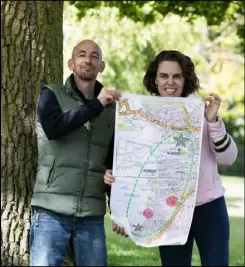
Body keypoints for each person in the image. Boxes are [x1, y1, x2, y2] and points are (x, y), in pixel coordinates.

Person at [104, 50, 238, 266]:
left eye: (177, 76)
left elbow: (229, 157)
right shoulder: (142, 115)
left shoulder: (201, 111)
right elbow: (135, 164)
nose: (170, 82)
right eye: (164, 76)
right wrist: (116, 184)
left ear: (186, 79)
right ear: (155, 80)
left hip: (209, 208)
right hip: (167, 210)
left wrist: (213, 121)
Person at [30, 39, 123, 266]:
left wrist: (119, 211)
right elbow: (54, 128)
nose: (88, 60)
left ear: (101, 66)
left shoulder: (113, 109)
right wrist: (96, 105)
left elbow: (113, 161)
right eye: (82, 55)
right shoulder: (51, 94)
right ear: (71, 63)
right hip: (51, 209)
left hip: (91, 214)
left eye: (94, 56)